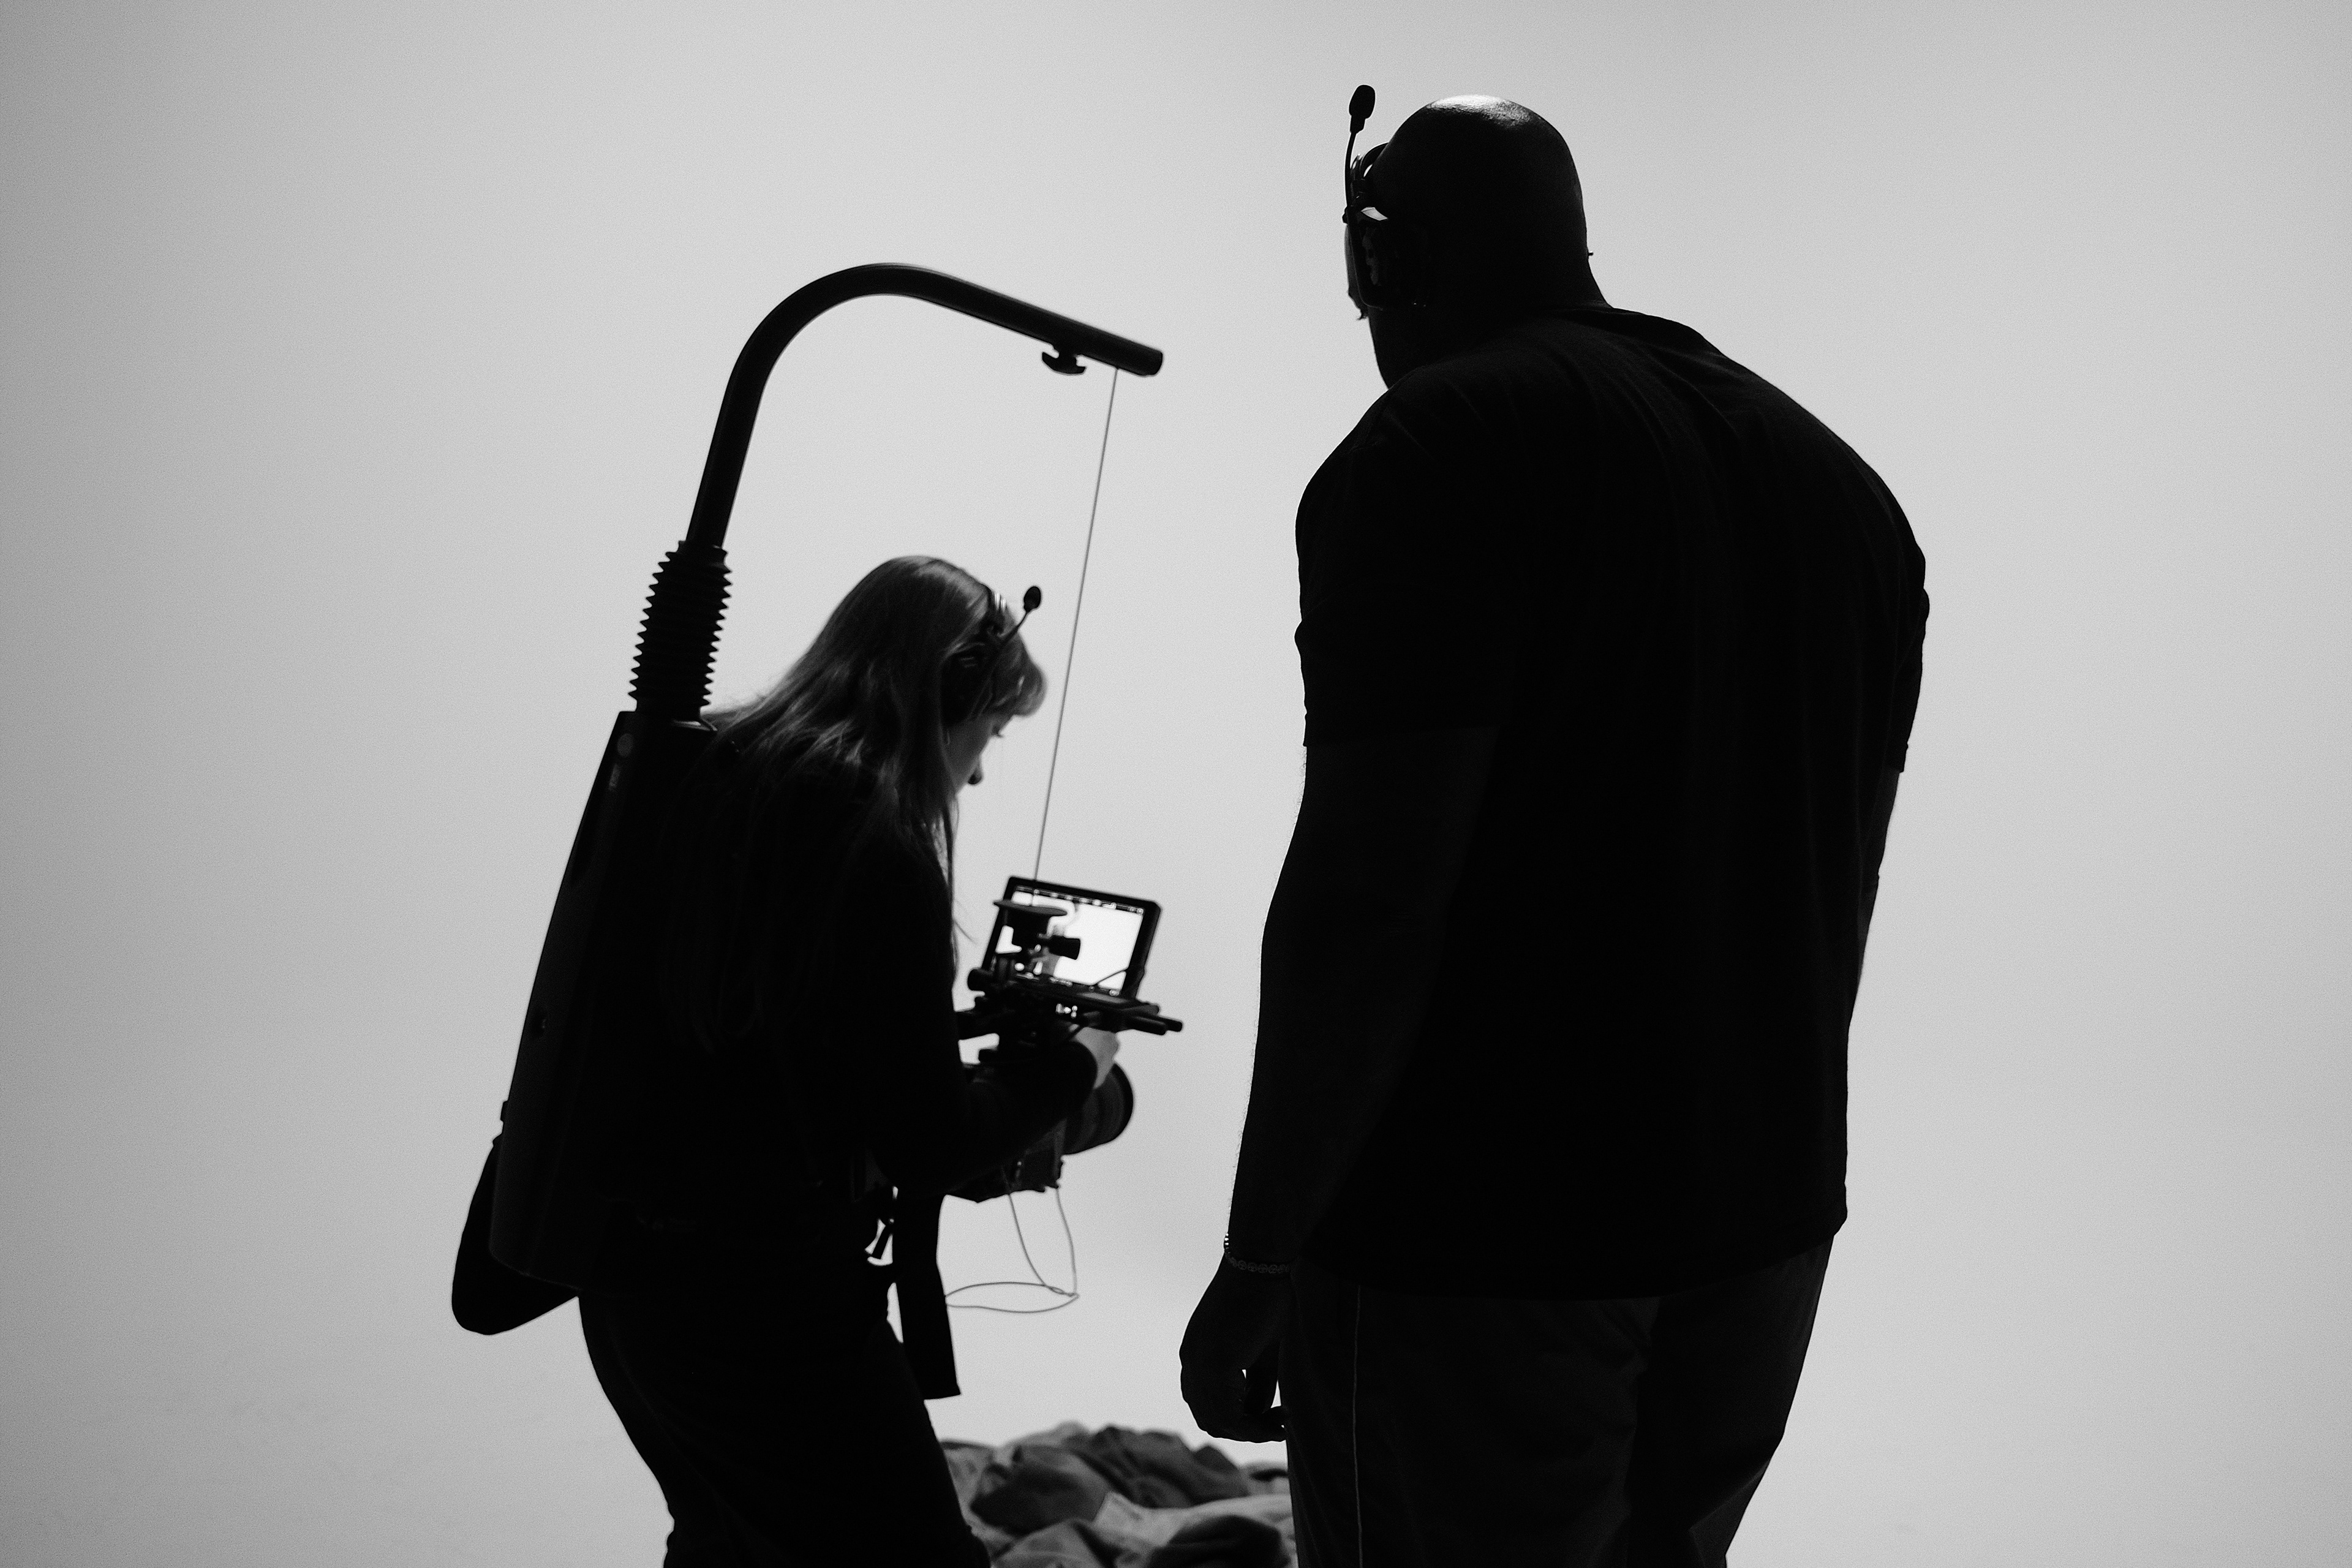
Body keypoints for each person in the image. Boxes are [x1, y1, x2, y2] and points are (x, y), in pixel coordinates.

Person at [1178, 94, 1929, 1567]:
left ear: (1384, 257)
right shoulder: (1849, 497)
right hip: (1762, 1225)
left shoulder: (1436, 443)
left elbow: (1370, 899)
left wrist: (1262, 1253)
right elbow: (1844, 884)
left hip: (1487, 1244)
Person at [579, 556, 1128, 1566]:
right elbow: (931, 1144)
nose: (978, 772)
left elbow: (758, 1056)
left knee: (729, 1546)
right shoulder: (874, 845)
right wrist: (1080, 1062)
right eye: (990, 731)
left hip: (629, 1292)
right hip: (769, 1313)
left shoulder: (704, 777)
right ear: (948, 695)